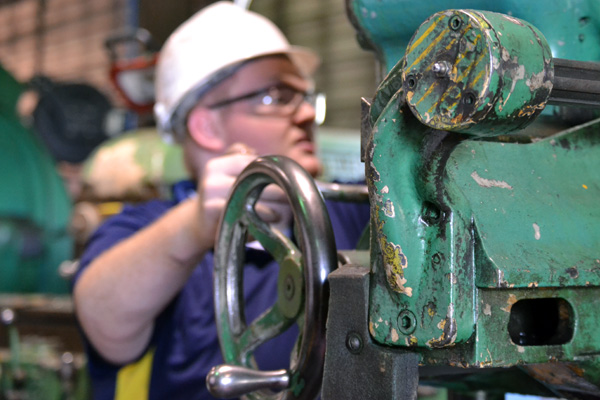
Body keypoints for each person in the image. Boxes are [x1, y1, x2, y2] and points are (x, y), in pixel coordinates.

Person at [72, 2, 370, 399]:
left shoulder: (352, 213)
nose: (304, 114)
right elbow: (105, 324)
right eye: (276, 95)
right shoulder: (145, 230)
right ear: (206, 125)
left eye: (305, 97)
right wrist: (194, 226)